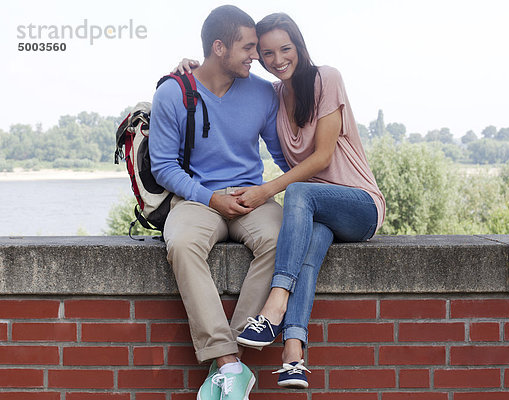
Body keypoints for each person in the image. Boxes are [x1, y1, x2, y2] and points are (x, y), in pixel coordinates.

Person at [177, 11, 385, 391]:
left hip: (358, 204)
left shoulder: (327, 78)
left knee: (300, 194)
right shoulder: (271, 95)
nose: (275, 59)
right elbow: (217, 76)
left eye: (284, 49)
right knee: (309, 247)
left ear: (299, 47)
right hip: (314, 212)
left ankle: (274, 307)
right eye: (266, 52)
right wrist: (190, 68)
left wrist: (266, 190)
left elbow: (321, 158)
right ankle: (293, 355)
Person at [150, 5, 290, 400]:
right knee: (180, 243)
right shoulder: (172, 93)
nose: (256, 56)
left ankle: (229, 360)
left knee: (284, 238)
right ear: (219, 47)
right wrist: (210, 197)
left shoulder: (264, 92)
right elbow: (162, 166)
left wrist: (289, 187)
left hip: (252, 197)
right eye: (247, 48)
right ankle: (230, 364)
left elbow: (281, 155)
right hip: (197, 198)